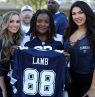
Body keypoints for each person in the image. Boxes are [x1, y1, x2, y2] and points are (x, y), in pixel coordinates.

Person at [63, 1, 95, 97]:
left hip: (88, 83)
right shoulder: (69, 32)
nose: (77, 16)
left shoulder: (93, 34)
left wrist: (93, 88)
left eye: (80, 12)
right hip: (71, 80)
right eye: (74, 14)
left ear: (87, 13)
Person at [0, 11, 23, 97]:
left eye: (17, 22)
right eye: (11, 21)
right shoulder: (1, 40)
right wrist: (3, 89)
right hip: (2, 83)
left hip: (12, 81)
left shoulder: (17, 39)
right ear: (5, 22)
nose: (15, 24)